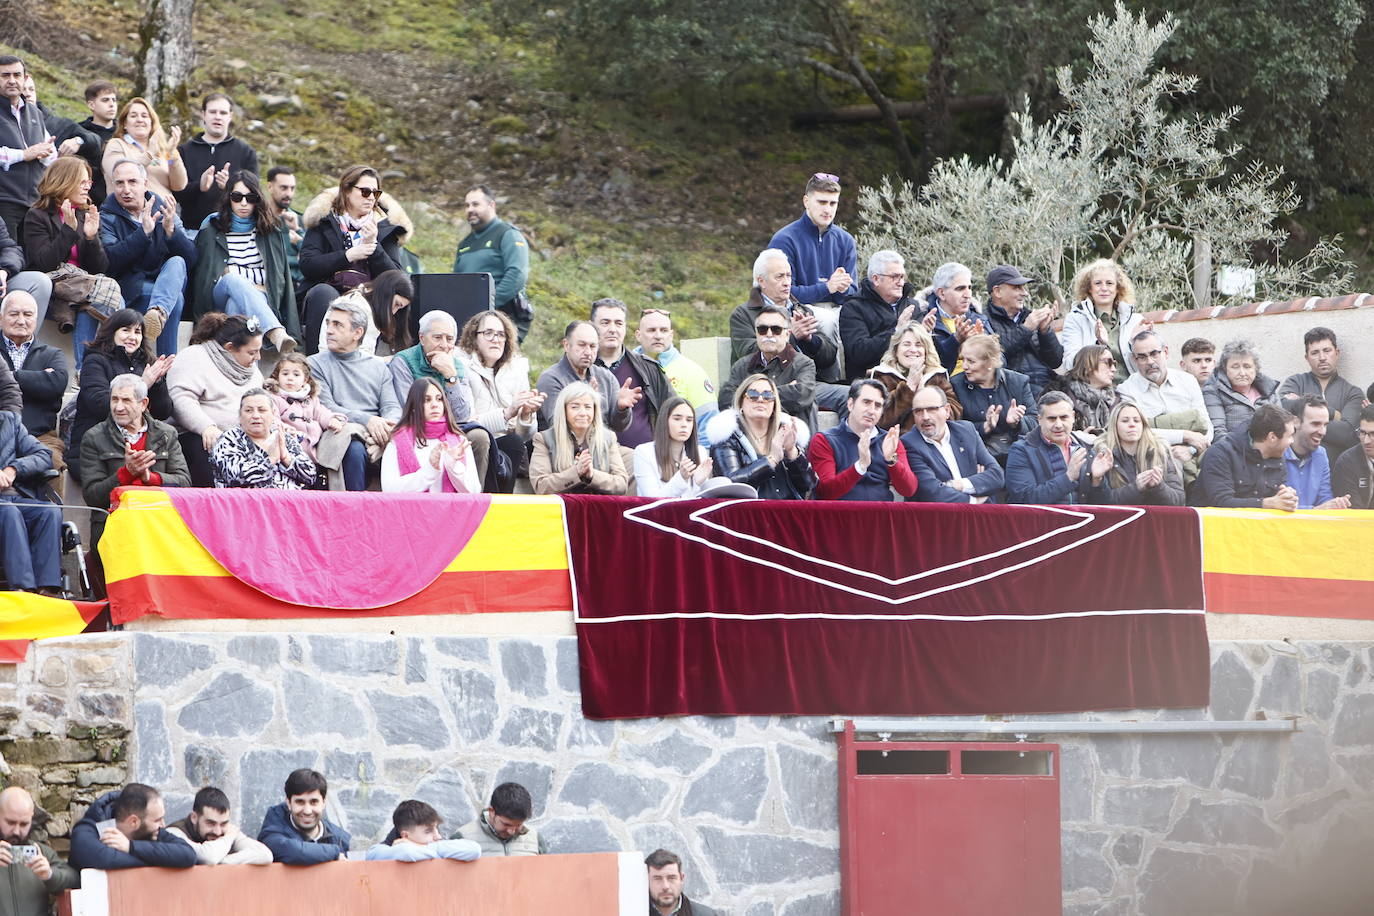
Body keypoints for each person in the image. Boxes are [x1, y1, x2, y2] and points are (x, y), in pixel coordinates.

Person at [20, 156, 122, 369]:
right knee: (102, 295)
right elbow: (43, 264)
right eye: (82, 182)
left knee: (93, 298)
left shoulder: (85, 215)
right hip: (54, 290)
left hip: (81, 289)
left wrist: (91, 238)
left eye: (89, 183)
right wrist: (68, 229)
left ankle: (85, 371)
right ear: (64, 181)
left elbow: (99, 269)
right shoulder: (37, 215)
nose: (87, 188)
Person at [188, 169, 298, 353]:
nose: (244, 203)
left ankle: (239, 364)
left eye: (251, 197)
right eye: (237, 197)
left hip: (261, 298)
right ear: (228, 198)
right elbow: (202, 275)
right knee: (232, 280)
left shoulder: (270, 230)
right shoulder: (212, 227)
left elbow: (281, 278)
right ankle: (275, 331)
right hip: (219, 296)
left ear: (258, 199)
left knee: (235, 305)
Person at [298, 164, 404, 352]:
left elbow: (396, 279)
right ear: (347, 190)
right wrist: (347, 256)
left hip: (366, 295)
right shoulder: (325, 221)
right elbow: (307, 264)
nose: (371, 197)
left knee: (367, 302)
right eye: (365, 191)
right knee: (323, 293)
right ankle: (314, 365)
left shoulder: (385, 228)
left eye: (375, 193)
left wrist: (374, 246)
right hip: (328, 290)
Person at [99, 158, 195, 358]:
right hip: (131, 288)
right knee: (175, 300)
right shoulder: (106, 216)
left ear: (145, 184)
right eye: (119, 183)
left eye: (132, 182)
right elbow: (110, 261)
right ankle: (166, 366)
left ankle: (158, 313)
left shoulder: (165, 211)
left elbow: (191, 259)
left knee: (177, 262)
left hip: (164, 282)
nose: (126, 189)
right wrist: (142, 234)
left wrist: (171, 233)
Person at [729, 248, 842, 408]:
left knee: (853, 397)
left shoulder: (801, 310)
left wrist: (810, 340)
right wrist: (791, 336)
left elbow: (828, 358)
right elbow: (748, 353)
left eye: (789, 276)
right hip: (765, 387)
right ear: (761, 281)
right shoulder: (744, 314)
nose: (787, 282)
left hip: (807, 382)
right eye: (779, 276)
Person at [309, 298, 402, 491]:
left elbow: (391, 406)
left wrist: (388, 429)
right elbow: (328, 407)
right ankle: (355, 512)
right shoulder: (314, 364)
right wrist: (368, 420)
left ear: (357, 333)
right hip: (339, 430)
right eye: (328, 323)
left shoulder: (377, 366)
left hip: (378, 432)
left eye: (337, 325)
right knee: (354, 448)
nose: (329, 330)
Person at [72, 309, 174, 480]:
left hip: (141, 446)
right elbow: (100, 404)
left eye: (137, 332)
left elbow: (163, 412)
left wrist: (158, 383)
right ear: (112, 332)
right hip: (98, 448)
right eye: (126, 330)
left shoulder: (146, 363)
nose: (132, 337)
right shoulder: (95, 360)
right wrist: (143, 384)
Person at [80, 374, 190, 529]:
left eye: (126, 400)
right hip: (116, 524)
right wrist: (126, 473)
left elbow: (184, 483)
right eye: (114, 399)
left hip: (159, 522)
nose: (118, 407)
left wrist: (150, 477)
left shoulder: (166, 434)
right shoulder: (94, 437)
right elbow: (93, 497)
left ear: (143, 404)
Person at [167, 313, 265, 486]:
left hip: (242, 440)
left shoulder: (254, 373)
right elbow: (181, 399)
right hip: (197, 437)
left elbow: (262, 404)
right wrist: (207, 427)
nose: (258, 358)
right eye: (252, 352)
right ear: (229, 348)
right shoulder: (193, 357)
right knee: (205, 448)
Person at [457, 309, 543, 484]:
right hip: (474, 442)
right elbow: (467, 423)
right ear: (474, 337)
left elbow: (524, 435)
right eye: (488, 333)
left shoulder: (516, 369)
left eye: (501, 334)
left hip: (508, 446)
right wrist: (508, 413)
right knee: (503, 442)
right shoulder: (461, 367)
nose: (496, 339)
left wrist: (526, 416)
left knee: (520, 441)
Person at [1117, 330, 1213, 482]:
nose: (1149, 361)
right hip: (1156, 454)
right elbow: (1138, 432)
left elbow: (1207, 425)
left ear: (1165, 352)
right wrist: (1184, 435)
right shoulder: (1127, 390)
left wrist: (1191, 449)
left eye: (1154, 354)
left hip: (1196, 449)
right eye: (1142, 357)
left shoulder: (1187, 381)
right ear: (1134, 360)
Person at [706, 373, 816, 500]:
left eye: (768, 395)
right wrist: (772, 460)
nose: (760, 399)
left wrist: (792, 452)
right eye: (752, 395)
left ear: (774, 404)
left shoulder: (784, 431)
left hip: (787, 513)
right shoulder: (726, 435)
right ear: (741, 402)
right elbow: (730, 484)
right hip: (748, 514)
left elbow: (809, 485)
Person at [808, 379, 917, 501]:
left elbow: (908, 489)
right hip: (840, 516)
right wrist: (859, 467)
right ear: (850, 404)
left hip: (881, 516)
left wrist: (891, 461)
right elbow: (825, 492)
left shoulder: (890, 440)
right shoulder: (824, 440)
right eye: (866, 402)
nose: (871, 411)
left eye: (877, 406)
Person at [452, 185, 532, 341]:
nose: (470, 209)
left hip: (503, 318)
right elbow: (456, 282)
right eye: (467, 205)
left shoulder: (507, 234)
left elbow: (517, 275)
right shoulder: (464, 244)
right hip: (469, 320)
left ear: (492, 205)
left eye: (475, 204)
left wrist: (489, 304)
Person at [592, 297, 674, 450]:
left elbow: (673, 412)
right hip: (594, 461)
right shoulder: (580, 369)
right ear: (591, 326)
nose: (612, 329)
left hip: (645, 461)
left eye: (618, 323)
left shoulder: (648, 369)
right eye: (605, 323)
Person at [901, 385, 1004, 504]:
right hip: (939, 518)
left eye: (931, 409)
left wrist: (958, 485)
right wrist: (974, 498)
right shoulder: (909, 443)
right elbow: (932, 493)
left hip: (980, 517)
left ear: (947, 411)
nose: (925, 417)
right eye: (918, 411)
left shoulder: (966, 431)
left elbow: (997, 476)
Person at [0, 291, 66, 472]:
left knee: (52, 462)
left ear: (36, 320)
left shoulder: (52, 354)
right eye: (14, 314)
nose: (21, 320)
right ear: (1, 318)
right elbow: (45, 384)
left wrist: (8, 376)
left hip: (40, 437)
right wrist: (37, 378)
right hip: (0, 434)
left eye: (27, 315)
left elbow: (56, 384)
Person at [767, 172, 856, 306]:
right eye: (822, 202)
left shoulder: (846, 241)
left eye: (833, 203)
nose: (827, 209)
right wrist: (827, 287)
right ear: (806, 202)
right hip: (796, 313)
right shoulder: (784, 240)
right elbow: (781, 293)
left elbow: (853, 294)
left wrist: (843, 289)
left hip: (840, 312)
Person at [719, 304, 817, 423]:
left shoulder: (804, 364)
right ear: (756, 334)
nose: (769, 334)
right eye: (762, 329)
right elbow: (725, 400)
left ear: (787, 335)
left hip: (789, 433)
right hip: (751, 434)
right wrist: (783, 391)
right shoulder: (742, 365)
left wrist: (749, 395)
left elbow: (801, 395)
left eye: (776, 329)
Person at [175, 93, 260, 229]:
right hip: (193, 231)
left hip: (234, 231)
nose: (217, 117)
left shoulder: (246, 152)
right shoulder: (183, 151)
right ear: (203, 114)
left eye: (223, 112)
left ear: (230, 116)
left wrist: (230, 187)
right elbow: (176, 193)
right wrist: (199, 187)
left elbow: (254, 194)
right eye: (213, 112)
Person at [1277, 327, 1365, 458]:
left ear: (1337, 353)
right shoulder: (1295, 382)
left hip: (1335, 471)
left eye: (1327, 350)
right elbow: (1281, 410)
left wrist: (1303, 420)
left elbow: (1346, 434)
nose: (1322, 357)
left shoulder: (1353, 393)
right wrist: (1332, 413)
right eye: (1315, 353)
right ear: (1307, 357)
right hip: (1295, 467)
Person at [949, 334, 1036, 465]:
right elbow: (953, 429)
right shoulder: (955, 385)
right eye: (963, 360)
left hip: (1018, 453)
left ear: (990, 362)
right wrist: (984, 426)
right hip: (977, 456)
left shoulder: (1018, 381)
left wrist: (1016, 423)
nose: (965, 366)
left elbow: (1035, 423)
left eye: (971, 361)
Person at [382, 378, 480, 493]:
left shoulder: (459, 441)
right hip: (410, 511)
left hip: (451, 510)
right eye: (427, 400)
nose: (435, 405)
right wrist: (430, 469)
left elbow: (474, 491)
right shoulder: (397, 442)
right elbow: (389, 489)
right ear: (413, 407)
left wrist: (453, 465)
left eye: (439, 399)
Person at [0, 404, 60, 594]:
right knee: (9, 513)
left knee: (49, 511)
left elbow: (44, 455)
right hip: (6, 508)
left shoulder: (10, 421)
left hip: (14, 496)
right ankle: (24, 589)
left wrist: (14, 468)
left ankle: (48, 589)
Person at [530, 381, 629, 495]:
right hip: (561, 509)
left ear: (594, 410)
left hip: (598, 507)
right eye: (575, 407)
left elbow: (622, 484)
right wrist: (576, 472)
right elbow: (541, 486)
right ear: (564, 410)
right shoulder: (544, 439)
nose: (583, 413)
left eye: (588, 407)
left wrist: (592, 475)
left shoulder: (608, 438)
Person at [1079, 401, 1185, 506]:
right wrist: (1136, 487)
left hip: (1154, 520)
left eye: (1137, 421)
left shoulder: (1159, 451)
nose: (1132, 425)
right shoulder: (1102, 454)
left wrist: (1159, 487)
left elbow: (1179, 501)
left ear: (1143, 425)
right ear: (1114, 426)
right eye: (1125, 421)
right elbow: (1099, 503)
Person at [69, 783, 195, 870]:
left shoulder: (154, 831)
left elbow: (187, 855)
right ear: (134, 822)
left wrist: (131, 847)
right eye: (157, 820)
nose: (163, 824)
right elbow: (106, 860)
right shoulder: (87, 831)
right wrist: (161, 859)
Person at [1005, 390, 1101, 505]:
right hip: (1041, 522)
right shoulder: (1021, 451)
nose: (1058, 425)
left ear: (1073, 417)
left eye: (1064, 417)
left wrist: (1097, 481)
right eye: (1052, 419)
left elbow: (1104, 504)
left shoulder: (1087, 448)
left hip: (1083, 521)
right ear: (1039, 419)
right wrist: (1068, 478)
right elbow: (1023, 499)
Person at [632, 307, 717, 435]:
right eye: (651, 330)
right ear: (638, 335)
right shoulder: (626, 367)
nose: (658, 336)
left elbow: (708, 422)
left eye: (664, 330)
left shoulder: (692, 371)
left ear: (671, 335)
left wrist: (698, 452)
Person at [1196, 404, 1298, 510]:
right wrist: (1266, 504)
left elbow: (1277, 500)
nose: (1292, 441)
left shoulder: (1278, 457)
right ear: (1272, 437)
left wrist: (1286, 499)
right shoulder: (1221, 454)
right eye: (1290, 436)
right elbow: (1221, 502)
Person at [536, 320, 631, 432]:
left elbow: (620, 427)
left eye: (592, 346)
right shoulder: (551, 378)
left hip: (603, 444)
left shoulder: (606, 378)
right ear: (566, 345)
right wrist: (587, 399)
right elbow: (558, 426)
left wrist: (621, 409)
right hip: (561, 447)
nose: (588, 352)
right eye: (582, 345)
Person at [867, 321, 961, 434]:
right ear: (896, 350)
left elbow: (955, 414)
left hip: (933, 440)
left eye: (918, 345)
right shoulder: (881, 376)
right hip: (897, 442)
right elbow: (880, 420)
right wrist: (908, 389)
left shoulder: (937, 376)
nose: (913, 349)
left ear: (926, 351)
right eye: (906, 344)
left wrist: (925, 395)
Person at [210, 389, 316, 489]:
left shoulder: (284, 438)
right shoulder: (229, 439)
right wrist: (271, 460)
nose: (256, 415)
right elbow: (235, 476)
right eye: (248, 410)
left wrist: (286, 458)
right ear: (240, 415)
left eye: (262, 410)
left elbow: (311, 475)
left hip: (289, 503)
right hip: (246, 505)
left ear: (273, 414)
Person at [838, 250, 917, 382]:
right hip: (872, 381)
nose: (900, 283)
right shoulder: (854, 307)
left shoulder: (912, 306)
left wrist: (927, 333)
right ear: (876, 279)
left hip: (913, 375)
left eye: (902, 277)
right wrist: (896, 332)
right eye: (894, 277)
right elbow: (859, 352)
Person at [1061, 259, 1144, 384]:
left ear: (1118, 288)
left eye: (1109, 283)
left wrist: (1137, 344)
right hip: (1092, 391)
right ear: (1089, 288)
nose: (1104, 288)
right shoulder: (1076, 319)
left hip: (1132, 390)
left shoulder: (1135, 320)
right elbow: (1069, 363)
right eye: (1098, 283)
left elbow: (1144, 363)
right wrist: (1098, 345)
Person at [983, 264, 1062, 395]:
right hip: (1012, 392)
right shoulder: (983, 320)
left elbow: (1056, 360)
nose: (1025, 293)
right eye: (1016, 287)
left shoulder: (1030, 316)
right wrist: (1027, 328)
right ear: (997, 292)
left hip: (1048, 387)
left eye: (1024, 287)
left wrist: (1045, 331)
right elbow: (994, 355)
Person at [0, 56, 56, 240]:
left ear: (25, 78)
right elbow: (29, 153)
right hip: (4, 203)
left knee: (32, 264)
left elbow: (48, 157)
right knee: (7, 262)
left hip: (35, 204)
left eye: (17, 74)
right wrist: (24, 154)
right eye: (5, 75)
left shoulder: (35, 113)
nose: (12, 80)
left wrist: (47, 152)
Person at [0, 786, 79, 914]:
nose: (16, 831)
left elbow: (74, 880)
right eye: (10, 822)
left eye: (24, 824)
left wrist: (50, 875)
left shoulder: (41, 852)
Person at [100, 97, 185, 205]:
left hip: (165, 214)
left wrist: (172, 155)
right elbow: (120, 173)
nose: (140, 119)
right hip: (128, 216)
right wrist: (149, 154)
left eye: (144, 116)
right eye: (133, 116)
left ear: (151, 122)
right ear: (124, 123)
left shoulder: (162, 150)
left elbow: (179, 185)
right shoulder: (116, 145)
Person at [258, 768, 351, 865]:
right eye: (300, 802)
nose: (307, 811)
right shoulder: (273, 830)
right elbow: (294, 852)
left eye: (314, 802)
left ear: (323, 803)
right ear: (288, 803)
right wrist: (335, 853)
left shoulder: (340, 840)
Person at [312, 269, 411, 358]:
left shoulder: (364, 302)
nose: (394, 312)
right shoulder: (355, 306)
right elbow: (361, 359)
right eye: (396, 304)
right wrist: (388, 360)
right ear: (386, 292)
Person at [165, 786, 272, 866]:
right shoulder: (173, 832)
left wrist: (224, 860)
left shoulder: (229, 831)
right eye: (210, 823)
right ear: (194, 817)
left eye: (224, 823)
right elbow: (208, 857)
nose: (218, 831)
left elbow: (265, 854)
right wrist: (228, 838)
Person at [264, 353, 342, 461]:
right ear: (277, 376)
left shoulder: (311, 399)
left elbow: (321, 412)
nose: (290, 378)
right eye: (285, 374)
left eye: (296, 375)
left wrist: (330, 420)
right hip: (290, 448)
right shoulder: (274, 399)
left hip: (315, 445)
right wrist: (284, 428)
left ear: (305, 380)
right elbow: (272, 419)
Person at [633, 395, 713, 498]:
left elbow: (699, 503)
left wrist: (698, 483)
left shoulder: (700, 452)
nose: (684, 424)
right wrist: (681, 478)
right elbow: (652, 500)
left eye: (689, 420)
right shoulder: (644, 452)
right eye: (677, 419)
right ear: (664, 421)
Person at [919, 262, 988, 376]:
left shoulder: (978, 318)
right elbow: (934, 367)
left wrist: (982, 343)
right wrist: (955, 340)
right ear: (942, 293)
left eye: (969, 288)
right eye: (960, 289)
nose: (968, 295)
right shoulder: (924, 319)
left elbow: (1000, 361)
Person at [1203, 339, 1280, 439]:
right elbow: (1218, 433)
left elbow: (1282, 427)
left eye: (1247, 366)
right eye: (1235, 367)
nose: (1242, 373)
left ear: (1256, 369)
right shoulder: (1213, 391)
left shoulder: (1269, 391)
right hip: (1232, 451)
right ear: (1224, 369)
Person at [1283, 395, 1350, 510]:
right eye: (1316, 424)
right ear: (1296, 422)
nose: (1322, 432)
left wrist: (1335, 505)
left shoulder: (1321, 454)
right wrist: (1316, 510)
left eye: (1325, 425)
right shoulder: (1278, 452)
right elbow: (1277, 507)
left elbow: (1324, 498)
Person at [366, 800, 480, 863]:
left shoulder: (432, 843)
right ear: (405, 835)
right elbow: (406, 852)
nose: (438, 836)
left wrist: (416, 845)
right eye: (428, 831)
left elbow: (474, 849)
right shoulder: (380, 850)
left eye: (437, 828)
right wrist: (440, 853)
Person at [452, 782, 546, 857]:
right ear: (491, 812)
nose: (511, 831)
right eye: (506, 824)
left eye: (518, 825)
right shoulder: (463, 837)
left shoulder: (535, 839)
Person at [1051, 344, 1120, 438]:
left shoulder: (1117, 401)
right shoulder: (1060, 396)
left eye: (1114, 364)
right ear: (1088, 365)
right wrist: (1079, 438)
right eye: (1108, 362)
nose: (1113, 369)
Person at [0, 213, 52, 330]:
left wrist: (4, 270)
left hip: (2, 281)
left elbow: (10, 249)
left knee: (39, 281)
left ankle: (24, 344)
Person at [646, 848, 722, 916]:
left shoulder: (705, 914)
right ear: (646, 880)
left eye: (671, 878)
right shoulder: (636, 912)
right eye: (658, 879)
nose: (665, 886)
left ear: (681, 878)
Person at [79, 80, 119, 206]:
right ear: (91, 105)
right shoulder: (79, 132)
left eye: (114, 100)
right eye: (105, 100)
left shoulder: (124, 132)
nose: (112, 104)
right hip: (89, 201)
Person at [266, 166, 305, 288]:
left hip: (297, 287)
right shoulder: (257, 218)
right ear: (270, 187)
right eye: (283, 188)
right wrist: (295, 260)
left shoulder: (300, 220)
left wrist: (298, 230)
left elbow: (311, 258)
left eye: (292, 188)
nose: (289, 193)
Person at [1333, 405, 1374, 510]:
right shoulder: (1347, 462)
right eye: (1363, 433)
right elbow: (1354, 510)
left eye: (1373, 434)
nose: (1366, 441)